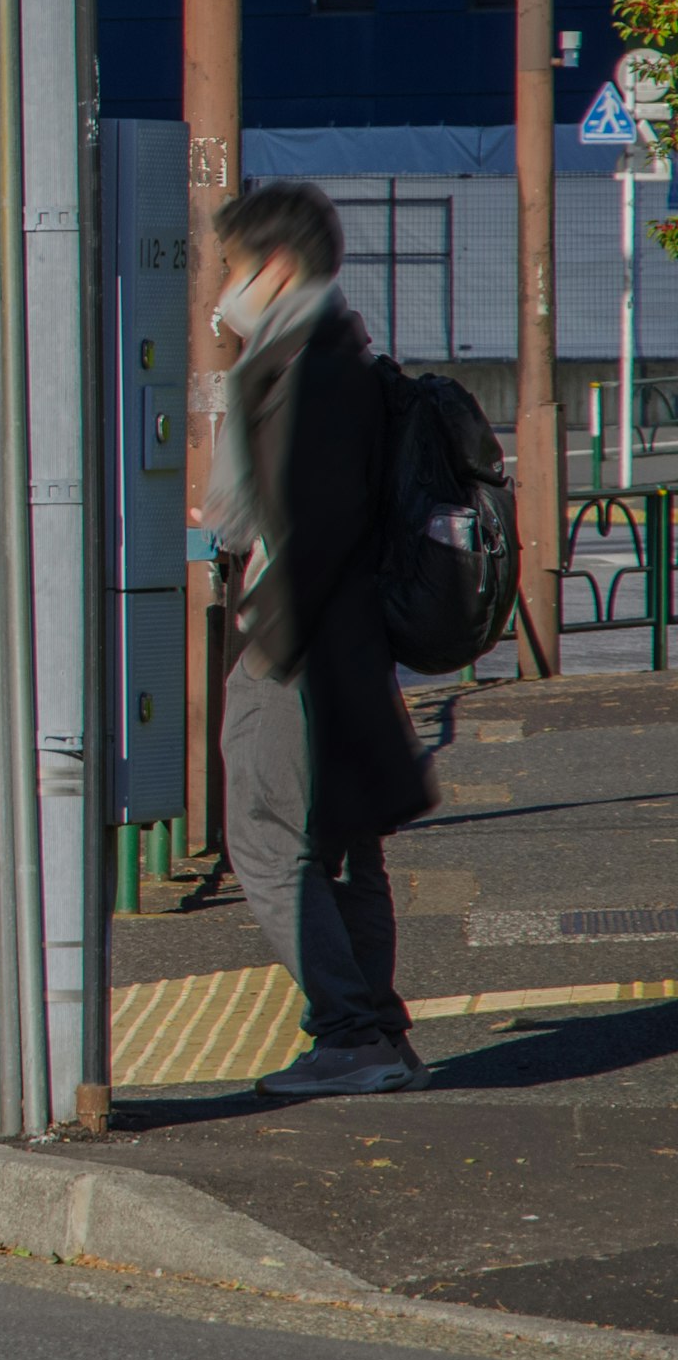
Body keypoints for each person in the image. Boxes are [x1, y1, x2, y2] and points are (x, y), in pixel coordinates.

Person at [206, 180, 435, 1100]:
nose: (222, 288)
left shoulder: (300, 365)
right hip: (349, 641)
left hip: (295, 641)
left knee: (264, 838)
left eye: (228, 267)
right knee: (343, 841)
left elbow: (307, 514)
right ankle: (376, 1032)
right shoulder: (349, 349)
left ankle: (348, 1032)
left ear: (274, 266)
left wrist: (269, 633)